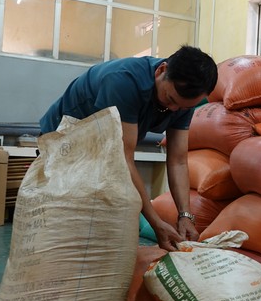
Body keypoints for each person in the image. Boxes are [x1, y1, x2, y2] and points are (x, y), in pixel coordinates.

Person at [40, 45, 218, 252]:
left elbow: (178, 160)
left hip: (104, 146)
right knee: (66, 221)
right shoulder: (123, 81)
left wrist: (185, 215)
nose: (174, 110)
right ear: (161, 71)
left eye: (183, 107)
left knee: (108, 223)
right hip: (65, 141)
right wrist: (155, 222)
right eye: (170, 100)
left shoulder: (183, 99)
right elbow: (124, 157)